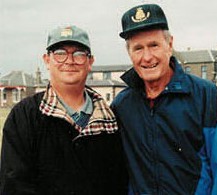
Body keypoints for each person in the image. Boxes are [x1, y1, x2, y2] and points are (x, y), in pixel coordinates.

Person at [111, 4, 217, 195]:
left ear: (170, 44)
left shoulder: (206, 96)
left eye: (154, 45)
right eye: (138, 48)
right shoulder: (122, 105)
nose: (147, 57)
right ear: (129, 53)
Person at [0, 25, 127, 194]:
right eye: (60, 53)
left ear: (90, 62)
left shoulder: (110, 119)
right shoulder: (24, 116)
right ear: (47, 60)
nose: (69, 61)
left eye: (79, 54)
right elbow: (14, 184)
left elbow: (119, 182)